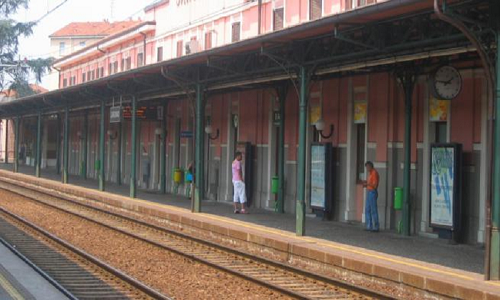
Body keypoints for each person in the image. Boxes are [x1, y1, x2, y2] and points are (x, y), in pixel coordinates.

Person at [362, 161, 379, 232]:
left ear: (370, 166)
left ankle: (376, 226)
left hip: (372, 192)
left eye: (367, 167)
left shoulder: (374, 173)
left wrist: (367, 184)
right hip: (369, 192)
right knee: (367, 209)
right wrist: (367, 183)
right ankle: (369, 225)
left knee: (373, 210)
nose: (367, 168)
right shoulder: (371, 173)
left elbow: (374, 185)